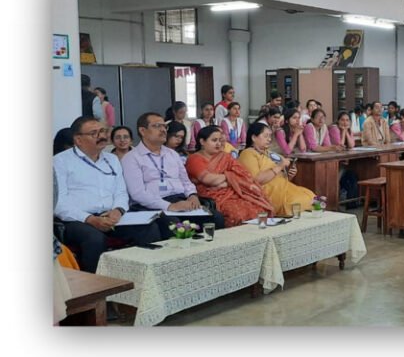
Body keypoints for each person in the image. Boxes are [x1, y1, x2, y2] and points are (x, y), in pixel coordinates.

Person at [54, 116, 163, 272]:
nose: (102, 136)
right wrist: (90, 219)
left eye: (103, 131)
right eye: (94, 133)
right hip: (77, 220)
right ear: (78, 139)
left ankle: (146, 280)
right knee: (94, 239)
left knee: (149, 229)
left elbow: (120, 191)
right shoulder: (60, 161)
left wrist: (118, 210)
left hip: (111, 216)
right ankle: (97, 290)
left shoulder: (111, 159)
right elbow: (58, 202)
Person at [121, 112, 225, 230]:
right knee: (175, 226)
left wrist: (192, 195)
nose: (163, 130)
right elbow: (138, 193)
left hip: (180, 200)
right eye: (157, 126)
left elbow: (185, 181)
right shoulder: (132, 158)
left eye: (164, 126)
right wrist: (169, 206)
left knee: (216, 218)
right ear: (142, 131)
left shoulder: (172, 154)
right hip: (153, 205)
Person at [186, 126, 275, 227]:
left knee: (258, 208)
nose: (219, 144)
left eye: (220, 140)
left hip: (233, 191)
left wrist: (227, 180)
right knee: (237, 214)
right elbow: (209, 180)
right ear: (202, 141)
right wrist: (230, 177)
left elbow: (244, 175)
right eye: (214, 140)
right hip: (211, 196)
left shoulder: (225, 157)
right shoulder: (194, 159)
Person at [238, 123, 315, 216]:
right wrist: (279, 167)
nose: (269, 139)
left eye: (270, 136)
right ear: (254, 137)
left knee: (311, 197)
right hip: (266, 193)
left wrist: (289, 175)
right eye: (265, 136)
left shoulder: (271, 154)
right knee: (295, 203)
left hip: (283, 188)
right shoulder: (248, 154)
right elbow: (255, 180)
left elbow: (280, 179)